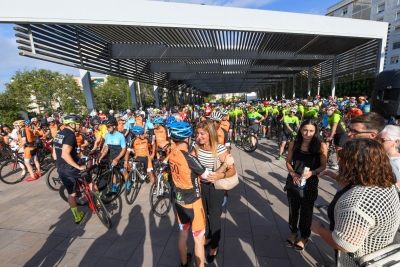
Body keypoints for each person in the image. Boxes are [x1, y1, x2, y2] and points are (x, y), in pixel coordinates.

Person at [311, 138, 400, 267]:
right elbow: (355, 187)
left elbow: (344, 244)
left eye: (343, 160)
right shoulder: (387, 183)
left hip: (359, 261)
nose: (339, 162)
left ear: (354, 165)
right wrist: (334, 176)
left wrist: (318, 228)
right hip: (383, 252)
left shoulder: (357, 203)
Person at [192, 120, 236, 262]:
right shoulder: (196, 147)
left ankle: (214, 246)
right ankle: (208, 236)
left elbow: (232, 170)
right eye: (197, 133)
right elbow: (191, 161)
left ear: (210, 134)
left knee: (215, 217)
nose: (199, 136)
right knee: (204, 214)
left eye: (202, 134)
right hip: (201, 187)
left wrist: (219, 175)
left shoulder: (220, 149)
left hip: (215, 188)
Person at [168, 122, 207, 267]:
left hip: (179, 201)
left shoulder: (171, 154)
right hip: (194, 201)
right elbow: (206, 174)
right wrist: (224, 165)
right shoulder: (189, 158)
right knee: (198, 239)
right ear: (186, 139)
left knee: (183, 234)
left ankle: (184, 263)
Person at [285, 119, 327, 252]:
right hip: (294, 180)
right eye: (305, 130)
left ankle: (304, 236)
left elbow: (323, 166)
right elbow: (288, 162)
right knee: (293, 208)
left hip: (310, 181)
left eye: (311, 131)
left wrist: (313, 172)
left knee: (307, 211)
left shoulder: (320, 145)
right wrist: (292, 173)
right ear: (300, 130)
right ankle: (293, 232)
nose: (307, 133)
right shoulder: (294, 143)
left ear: (315, 132)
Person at [53, 115, 98, 223]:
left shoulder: (59, 133)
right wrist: (78, 166)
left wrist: (58, 163)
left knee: (71, 194)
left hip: (61, 168)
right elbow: (65, 154)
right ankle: (98, 202)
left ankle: (77, 216)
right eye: (79, 124)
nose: (80, 126)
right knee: (90, 181)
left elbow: (55, 152)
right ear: (71, 124)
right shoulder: (70, 135)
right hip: (71, 167)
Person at [98, 119, 128, 193]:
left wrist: (117, 159)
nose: (107, 129)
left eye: (108, 127)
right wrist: (101, 156)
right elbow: (106, 147)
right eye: (106, 127)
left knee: (123, 172)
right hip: (112, 156)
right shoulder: (107, 136)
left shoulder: (120, 136)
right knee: (113, 172)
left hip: (120, 156)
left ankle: (128, 183)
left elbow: (124, 150)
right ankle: (114, 186)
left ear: (114, 126)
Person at [326, 104, 347, 169]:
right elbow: (330, 126)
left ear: (333, 111)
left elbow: (334, 126)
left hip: (343, 134)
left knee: (339, 150)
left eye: (329, 110)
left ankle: (341, 164)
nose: (327, 111)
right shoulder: (329, 117)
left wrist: (330, 137)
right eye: (327, 110)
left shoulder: (336, 115)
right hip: (337, 134)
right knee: (336, 149)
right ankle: (338, 163)